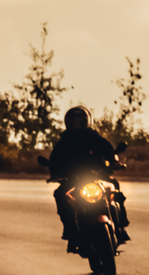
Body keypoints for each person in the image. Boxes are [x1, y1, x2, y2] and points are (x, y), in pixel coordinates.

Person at [45, 106, 126, 249]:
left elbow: (109, 150)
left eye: (80, 120)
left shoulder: (94, 138)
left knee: (114, 186)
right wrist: (55, 174)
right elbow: (55, 161)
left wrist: (115, 162)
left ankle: (120, 223)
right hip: (73, 180)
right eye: (74, 121)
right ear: (68, 123)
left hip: (97, 176)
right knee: (60, 195)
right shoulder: (63, 143)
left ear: (86, 121)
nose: (77, 124)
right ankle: (71, 232)